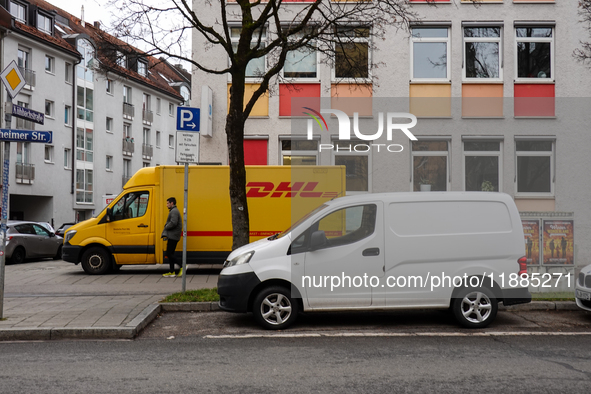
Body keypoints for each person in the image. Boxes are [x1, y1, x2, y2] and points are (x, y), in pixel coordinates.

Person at [162, 197, 183, 277]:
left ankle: (182, 266)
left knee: (169, 253)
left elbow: (173, 223)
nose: (167, 205)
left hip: (173, 236)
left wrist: (166, 226)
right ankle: (172, 271)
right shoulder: (174, 211)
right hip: (173, 235)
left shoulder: (174, 211)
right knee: (171, 253)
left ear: (172, 203)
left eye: (168, 203)